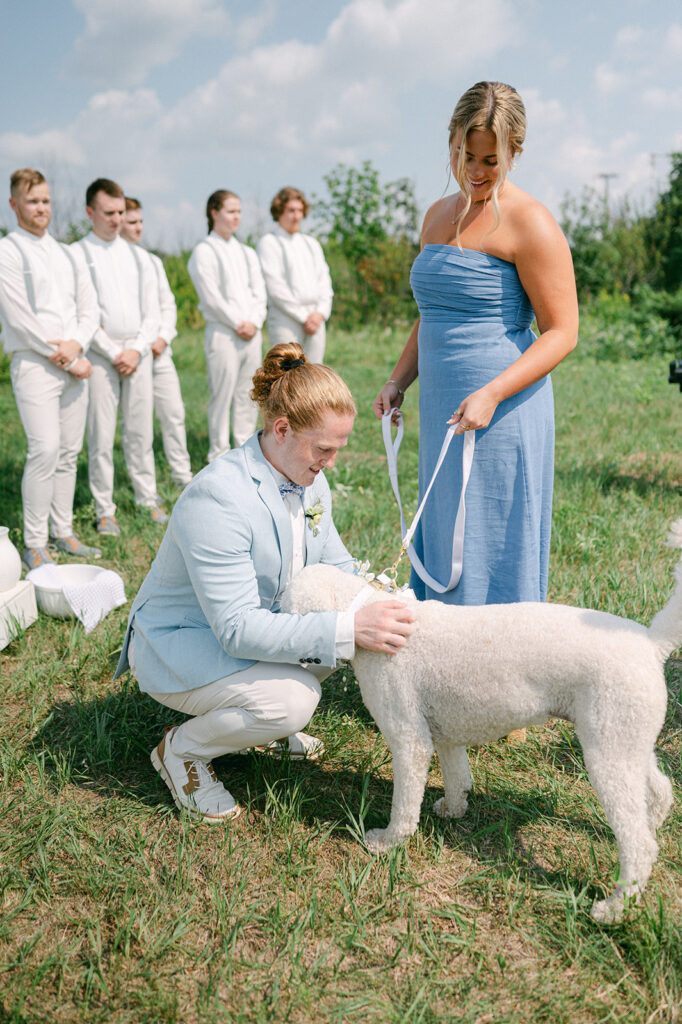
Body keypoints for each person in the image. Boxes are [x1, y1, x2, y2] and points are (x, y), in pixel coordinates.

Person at [115, 343, 415, 823]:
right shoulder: (218, 498)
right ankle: (183, 752)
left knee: (334, 629)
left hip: (256, 626)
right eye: (324, 449)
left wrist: (385, 600)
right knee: (295, 698)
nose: (331, 463)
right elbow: (234, 629)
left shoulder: (310, 478)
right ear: (281, 429)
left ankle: (258, 723)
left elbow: (334, 563)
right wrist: (349, 627)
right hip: (182, 644)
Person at [373, 81, 578, 606]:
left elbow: (562, 331)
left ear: (516, 151)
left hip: (503, 404)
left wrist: (491, 394)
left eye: (491, 159)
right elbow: (431, 315)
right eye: (466, 156)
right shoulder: (437, 215)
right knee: (445, 522)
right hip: (442, 399)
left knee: (491, 529)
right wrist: (399, 380)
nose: (476, 170)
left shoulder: (531, 222)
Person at [0, 168, 100, 570]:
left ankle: (63, 531)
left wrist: (78, 343)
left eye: (45, 200)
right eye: (32, 201)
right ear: (14, 205)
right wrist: (68, 358)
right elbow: (19, 316)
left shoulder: (67, 253)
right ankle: (36, 542)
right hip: (34, 363)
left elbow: (89, 306)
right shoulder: (9, 251)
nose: (41, 208)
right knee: (44, 448)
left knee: (68, 452)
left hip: (74, 361)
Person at [73, 178, 168, 536]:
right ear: (90, 212)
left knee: (140, 432)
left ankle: (146, 497)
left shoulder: (139, 257)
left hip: (137, 352)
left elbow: (152, 312)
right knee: (101, 433)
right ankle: (104, 508)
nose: (116, 220)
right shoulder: (79, 254)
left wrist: (137, 349)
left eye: (121, 212)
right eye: (108, 213)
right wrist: (114, 352)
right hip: (100, 354)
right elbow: (82, 312)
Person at [187, 190, 266, 462]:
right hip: (223, 333)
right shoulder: (203, 251)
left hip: (251, 334)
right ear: (214, 212)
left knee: (248, 393)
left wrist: (254, 322)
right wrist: (237, 322)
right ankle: (218, 455)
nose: (237, 217)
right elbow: (211, 297)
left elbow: (259, 292)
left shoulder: (247, 252)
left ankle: (244, 453)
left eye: (239, 211)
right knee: (221, 395)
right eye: (231, 211)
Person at [120, 197, 193, 489]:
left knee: (174, 413)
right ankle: (142, 485)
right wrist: (140, 345)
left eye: (140, 222)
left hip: (159, 352)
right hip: (133, 355)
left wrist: (162, 338)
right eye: (131, 222)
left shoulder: (152, 261)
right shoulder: (114, 263)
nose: (138, 228)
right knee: (137, 424)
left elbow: (168, 305)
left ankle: (182, 475)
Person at [257, 187, 333, 363]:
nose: (296, 216)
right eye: (291, 210)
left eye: (299, 210)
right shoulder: (269, 243)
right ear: (279, 212)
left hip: (315, 320)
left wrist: (319, 313)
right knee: (287, 376)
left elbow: (324, 281)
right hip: (286, 320)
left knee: (314, 376)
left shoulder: (311, 243)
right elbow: (275, 287)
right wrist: (303, 316)